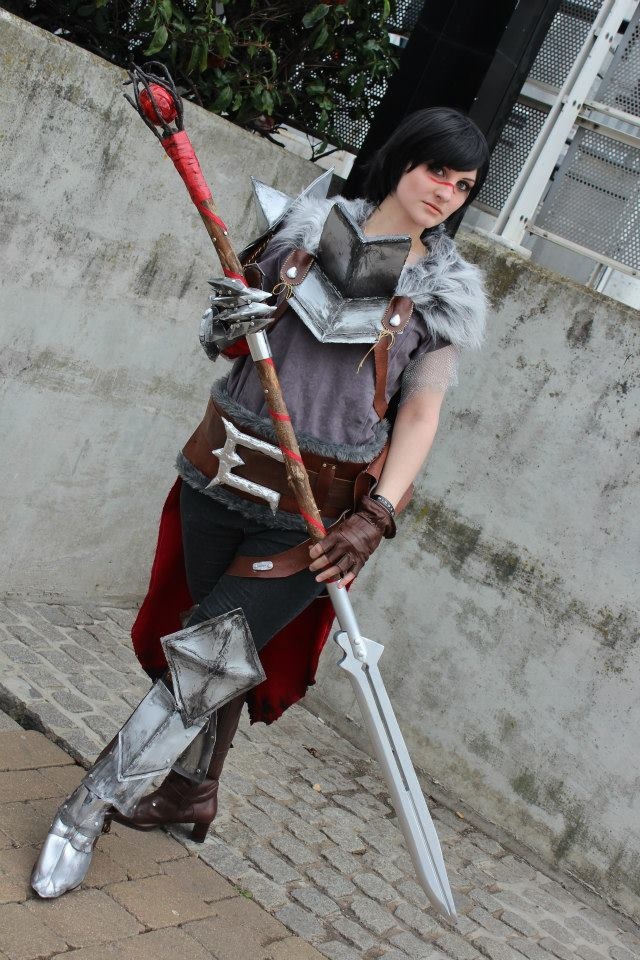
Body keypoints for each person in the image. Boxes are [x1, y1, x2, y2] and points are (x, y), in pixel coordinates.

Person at [31, 106, 489, 898]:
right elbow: (222, 339)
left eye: (464, 185)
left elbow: (419, 416)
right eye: (436, 171)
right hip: (220, 474)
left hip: (313, 517)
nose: (445, 192)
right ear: (402, 162)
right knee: (208, 645)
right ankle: (192, 788)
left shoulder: (442, 302)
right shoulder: (296, 236)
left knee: (209, 660)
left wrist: (377, 514)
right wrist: (233, 317)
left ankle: (85, 813)